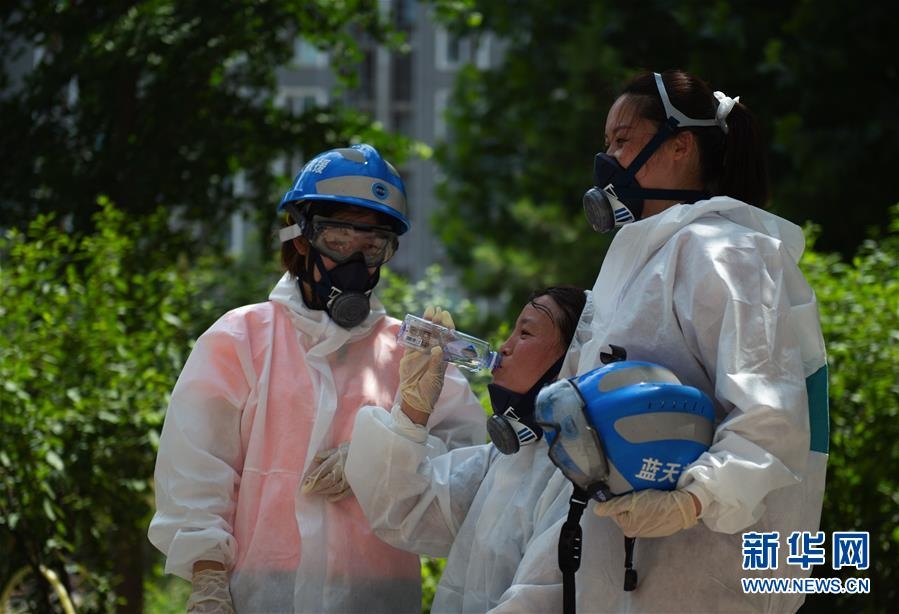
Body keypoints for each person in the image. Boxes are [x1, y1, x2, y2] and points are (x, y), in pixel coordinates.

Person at [147, 144, 486, 613]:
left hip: (378, 598)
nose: (356, 261)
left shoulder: (412, 355)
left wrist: (380, 459)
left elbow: (467, 471)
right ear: (301, 237)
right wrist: (208, 578)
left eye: (373, 245)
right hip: (259, 593)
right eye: (339, 239)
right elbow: (196, 467)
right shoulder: (241, 338)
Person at [557, 69, 829, 612]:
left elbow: (769, 413)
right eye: (606, 144)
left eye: (622, 141)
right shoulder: (652, 259)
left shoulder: (728, 252)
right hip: (639, 574)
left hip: (709, 572)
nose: (607, 160)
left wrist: (696, 498)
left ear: (680, 145)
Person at [345, 286, 588, 613]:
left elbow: (539, 601)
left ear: (573, 359)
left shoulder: (576, 477)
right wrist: (414, 409)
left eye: (526, 333)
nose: (505, 347)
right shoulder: (503, 460)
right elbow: (406, 511)